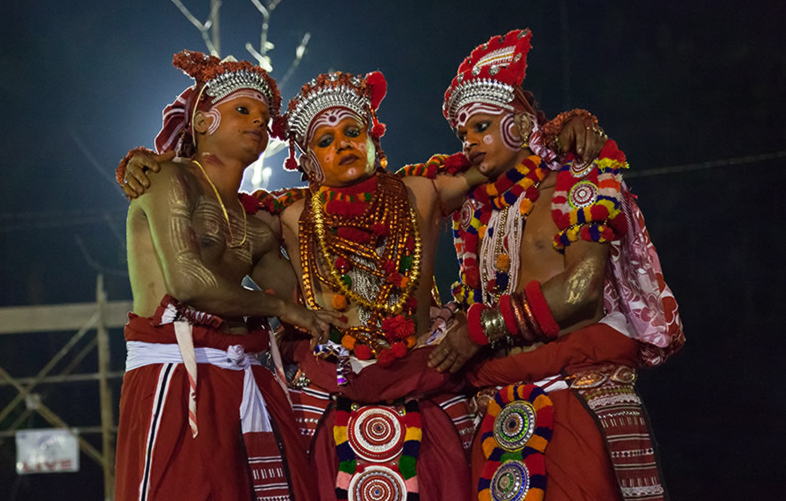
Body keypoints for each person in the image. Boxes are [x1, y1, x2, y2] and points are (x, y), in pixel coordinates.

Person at [120, 68, 603, 501]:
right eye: (325, 141)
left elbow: (502, 156)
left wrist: (558, 129)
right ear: (310, 163)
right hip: (329, 394)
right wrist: (150, 165)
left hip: (425, 379)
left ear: (375, 143)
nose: (343, 145)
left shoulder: (423, 191)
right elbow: (230, 261)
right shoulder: (288, 214)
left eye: (353, 132)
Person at [421, 29, 684, 500]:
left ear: (519, 126)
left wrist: (481, 330)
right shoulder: (476, 209)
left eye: (482, 127)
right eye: (464, 133)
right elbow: (407, 195)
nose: (471, 142)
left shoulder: (577, 179)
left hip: (576, 393)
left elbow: (581, 290)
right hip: (498, 405)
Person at [115, 50, 339, 501]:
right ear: (201, 122)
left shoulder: (255, 223)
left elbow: (306, 299)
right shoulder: (164, 180)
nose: (258, 122)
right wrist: (278, 307)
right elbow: (189, 284)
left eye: (264, 117)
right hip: (178, 377)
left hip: (245, 377)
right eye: (243, 110)